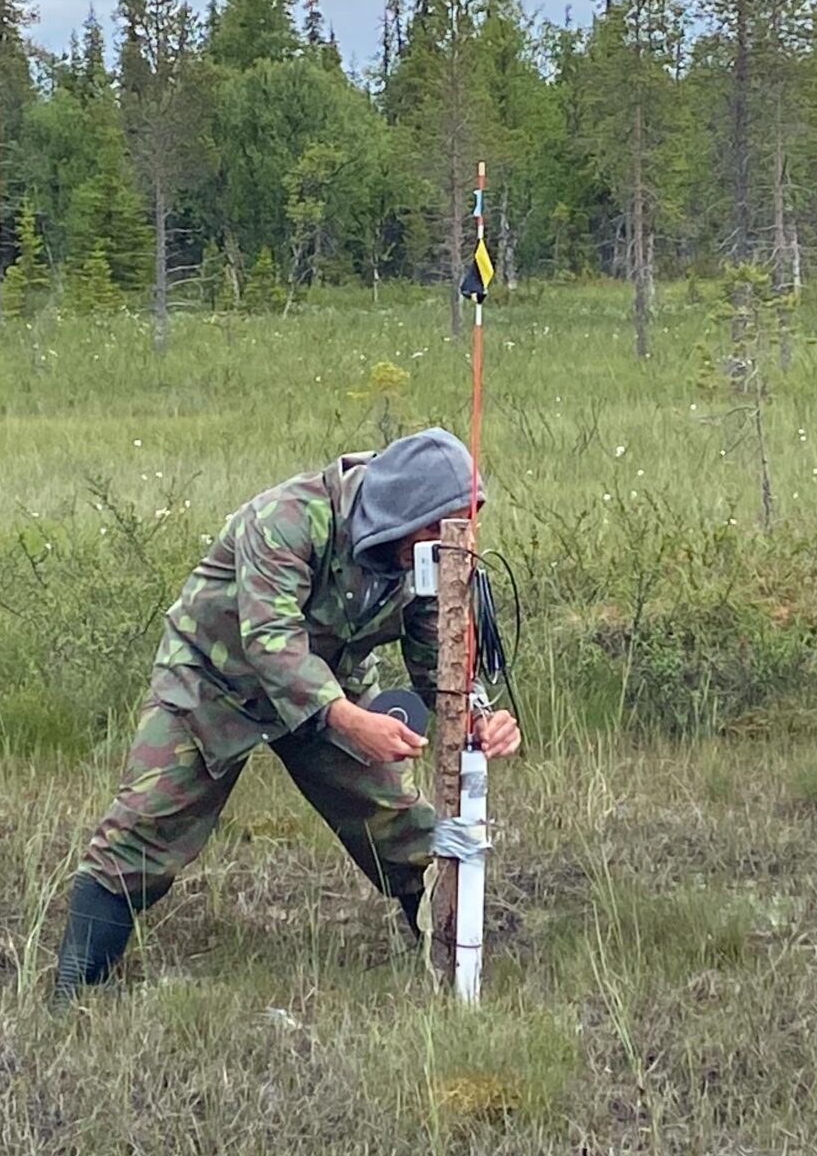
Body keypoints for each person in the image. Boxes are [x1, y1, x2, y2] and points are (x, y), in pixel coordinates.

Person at [52, 427, 522, 1000]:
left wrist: (475, 717)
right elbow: (271, 642)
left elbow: (440, 660)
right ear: (399, 511)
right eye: (435, 526)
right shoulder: (288, 519)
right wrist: (347, 719)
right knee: (147, 823)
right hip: (213, 679)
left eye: (463, 525)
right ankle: (73, 989)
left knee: (398, 822)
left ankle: (449, 960)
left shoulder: (436, 557)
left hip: (331, 684)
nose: (450, 540)